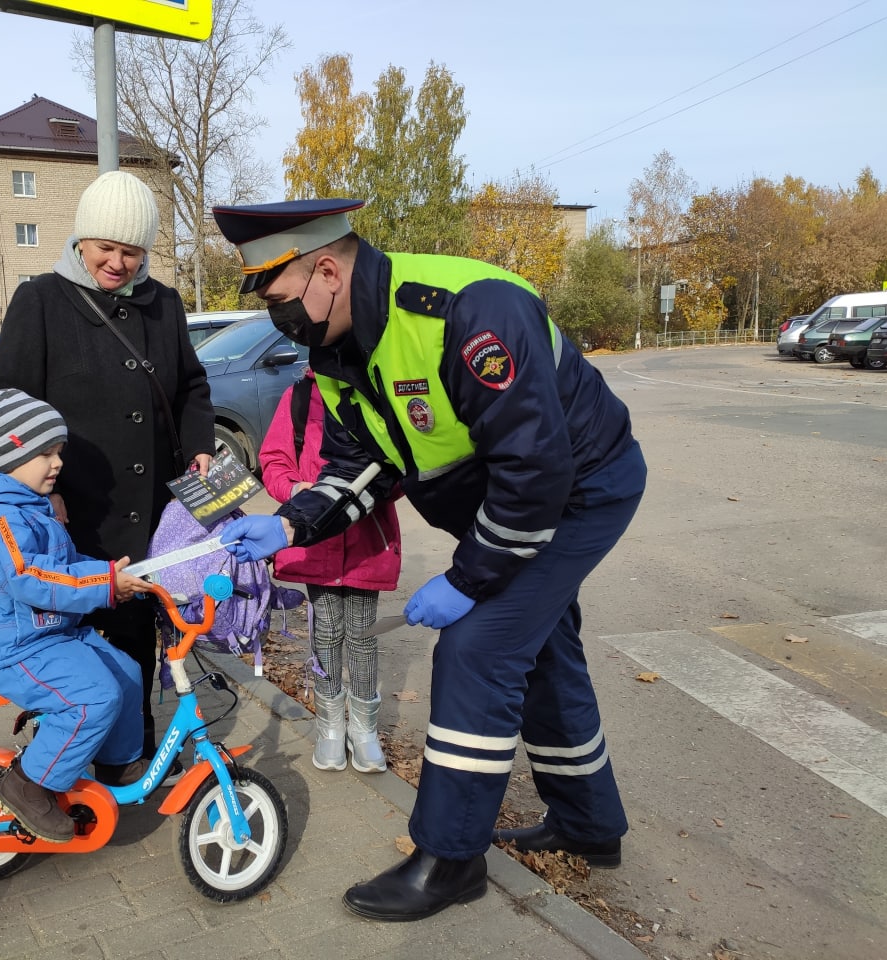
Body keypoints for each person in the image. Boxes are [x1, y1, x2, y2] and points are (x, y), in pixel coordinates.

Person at [212, 199, 647, 922]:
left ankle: (451, 858)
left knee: (478, 648)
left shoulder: (469, 314)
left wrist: (469, 578)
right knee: (540, 648)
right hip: (510, 498)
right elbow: (363, 464)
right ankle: (588, 824)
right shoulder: (339, 352)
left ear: (326, 270)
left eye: (280, 299)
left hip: (577, 490)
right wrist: (288, 526)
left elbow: (536, 472)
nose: (278, 319)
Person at [0, 170, 215, 772]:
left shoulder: (163, 303)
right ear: (81, 240)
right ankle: (58, 761)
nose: (117, 263)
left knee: (138, 631)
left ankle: (128, 756)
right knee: (74, 636)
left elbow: (192, 386)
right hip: (72, 507)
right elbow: (11, 406)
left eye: (131, 251)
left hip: (149, 508)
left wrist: (199, 445)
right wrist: (43, 495)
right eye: (106, 248)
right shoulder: (40, 300)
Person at [0, 388, 153, 842]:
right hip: (15, 648)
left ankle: (118, 764)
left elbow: (63, 566)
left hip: (52, 635)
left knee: (127, 672)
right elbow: (31, 578)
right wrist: (103, 586)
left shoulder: (31, 508)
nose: (57, 463)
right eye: (45, 453)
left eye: (58, 451)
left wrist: (112, 577)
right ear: (10, 452)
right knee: (92, 697)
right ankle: (28, 786)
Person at [258, 366, 402, 773]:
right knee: (326, 629)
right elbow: (273, 459)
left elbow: (400, 464)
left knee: (362, 633)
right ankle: (330, 728)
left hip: (366, 540)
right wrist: (294, 489)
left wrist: (378, 487)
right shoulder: (301, 396)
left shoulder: (375, 393)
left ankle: (364, 730)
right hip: (316, 540)